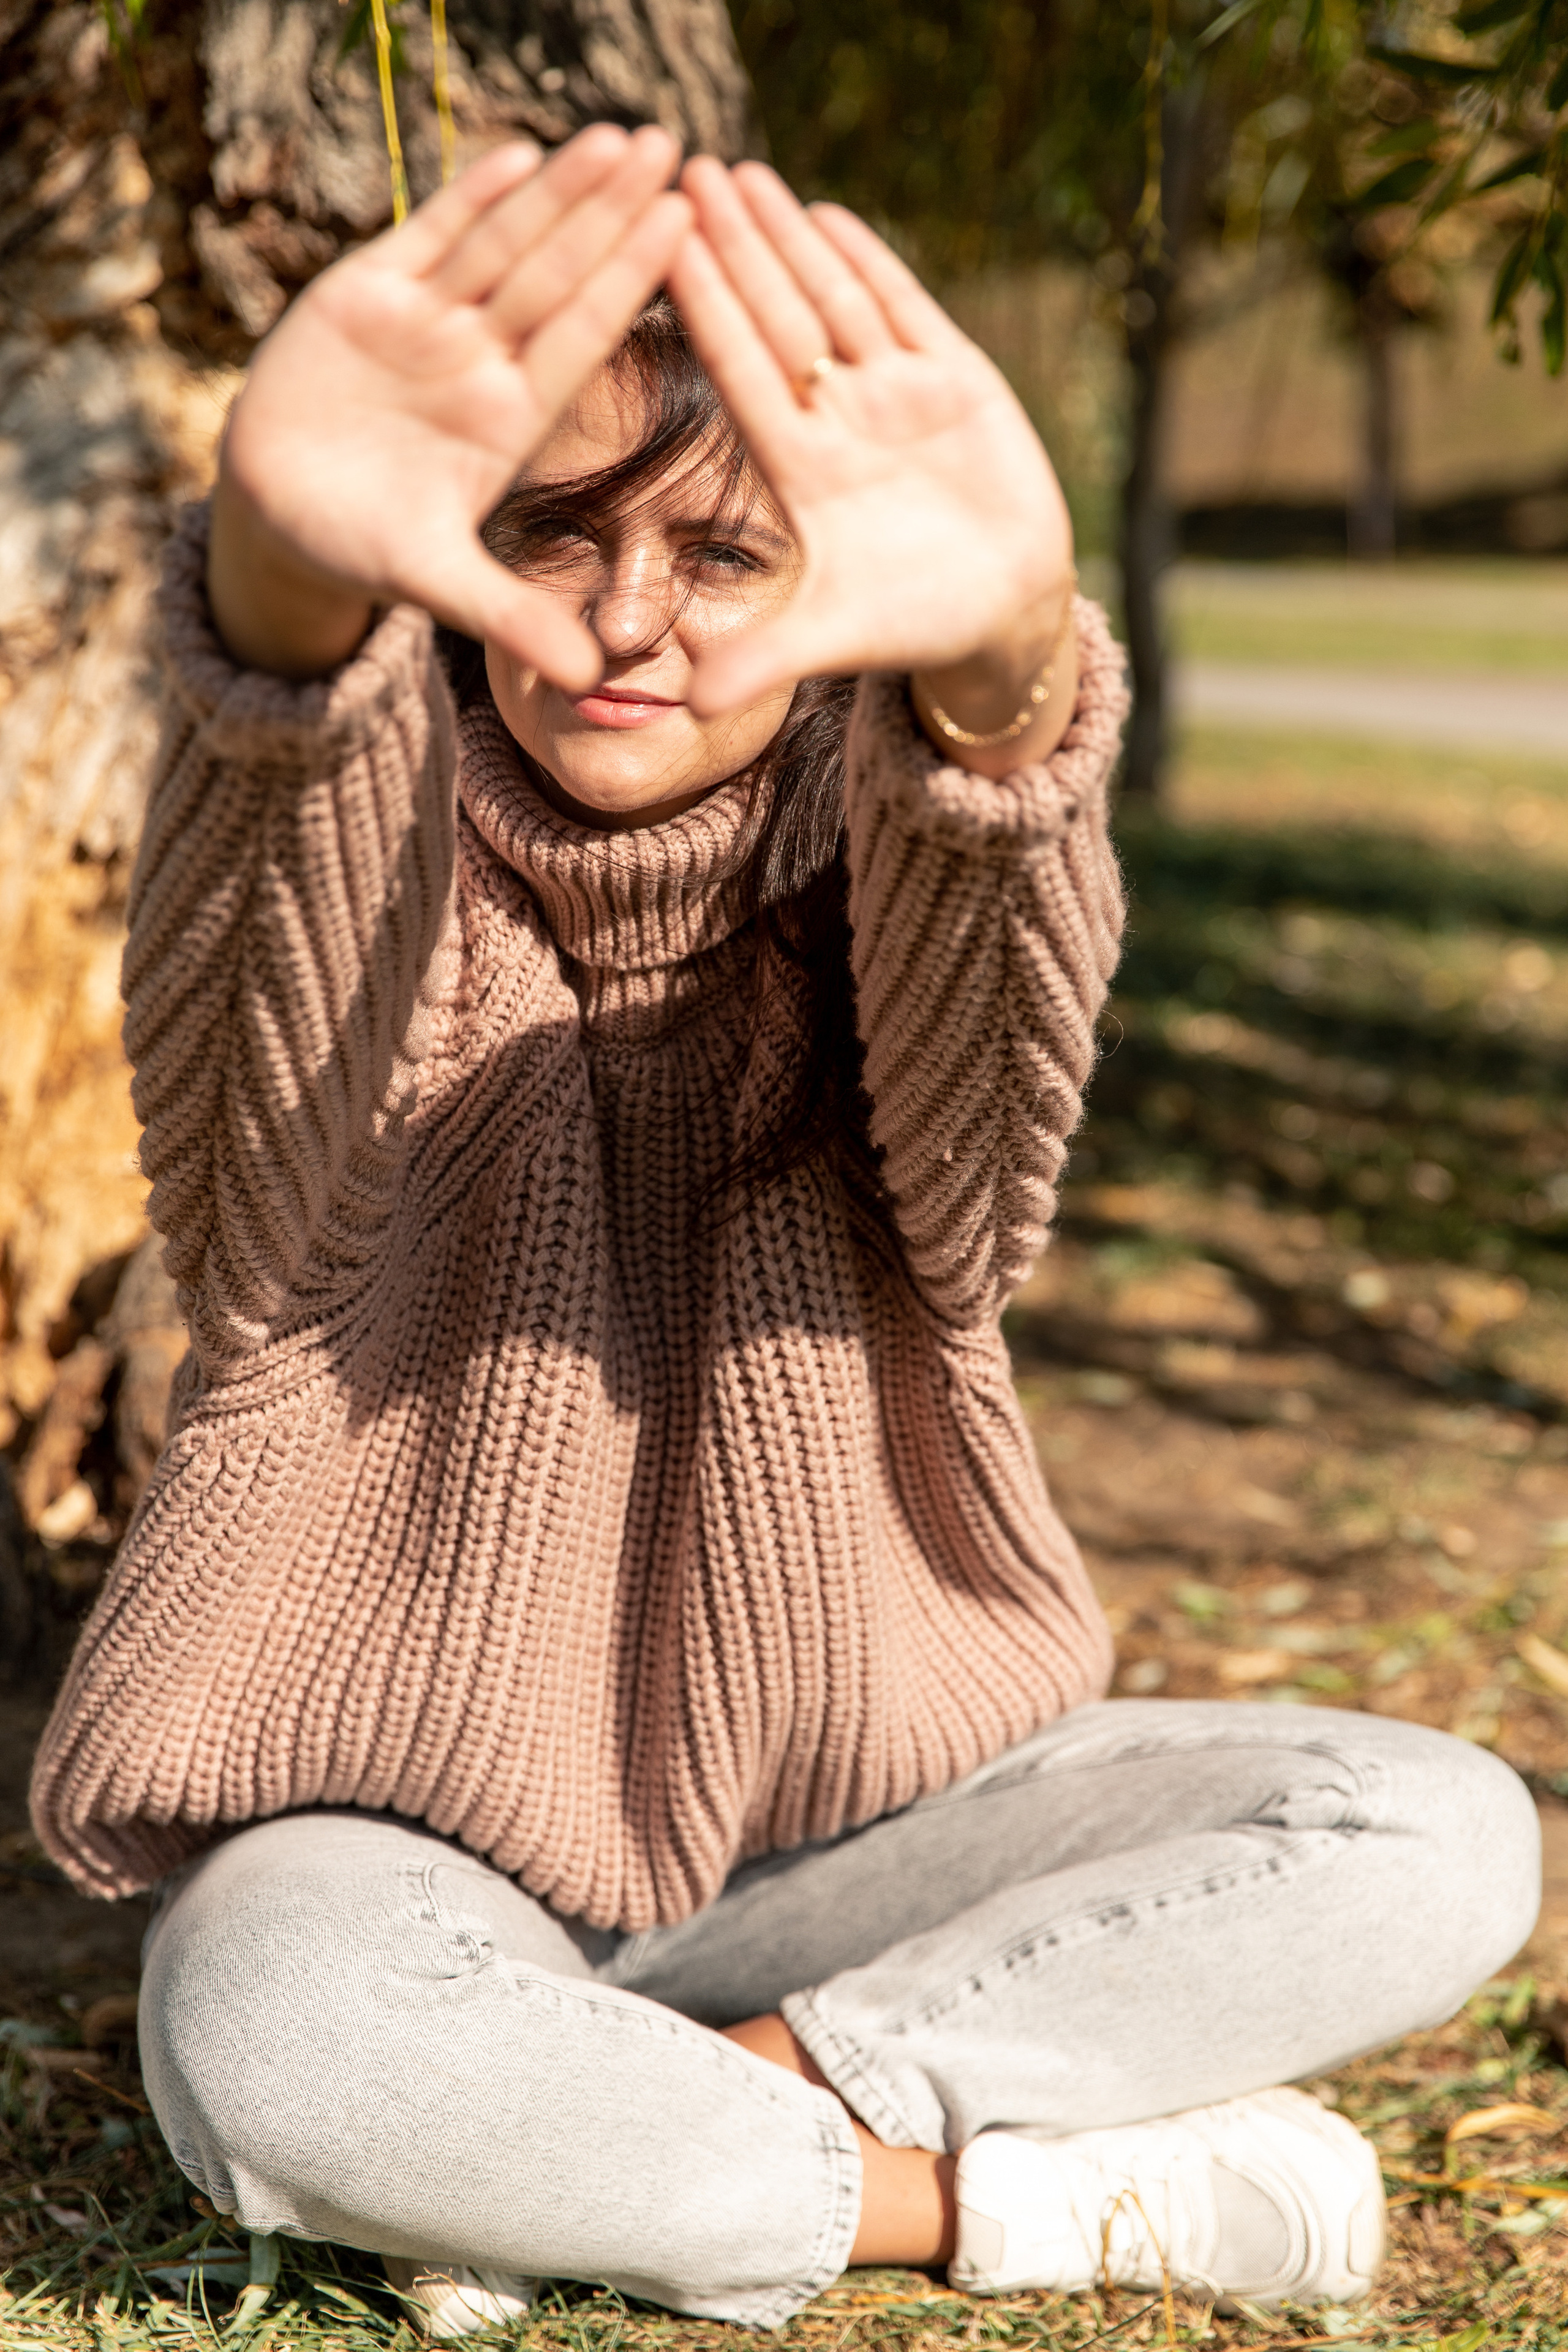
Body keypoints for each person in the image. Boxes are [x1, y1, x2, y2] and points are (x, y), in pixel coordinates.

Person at [31, 124, 1539, 2340]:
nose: (628, 618)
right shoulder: (374, 870)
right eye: (556, 533)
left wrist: (1013, 675)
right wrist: (278, 592)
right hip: (400, 1852)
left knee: (1435, 1830)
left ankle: (640, 2144)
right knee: (283, 2043)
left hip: (860, 1847)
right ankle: (1003, 2207)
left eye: (725, 554)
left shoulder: (904, 860)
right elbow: (273, 944)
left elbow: (985, 1097)